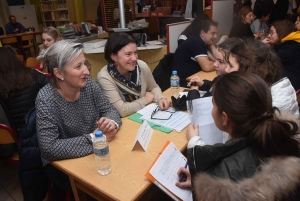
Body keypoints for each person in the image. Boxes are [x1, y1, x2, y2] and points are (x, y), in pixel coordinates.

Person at [176, 72, 300, 200]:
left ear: (225, 118)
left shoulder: (222, 180)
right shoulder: (282, 139)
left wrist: (204, 187)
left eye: (213, 105)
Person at [36, 40, 122, 200]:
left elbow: (110, 109)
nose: (87, 71)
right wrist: (94, 139)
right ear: (59, 73)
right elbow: (49, 148)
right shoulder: (46, 99)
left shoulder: (88, 84)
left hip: (97, 154)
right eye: (78, 66)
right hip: (64, 166)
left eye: (85, 64)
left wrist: (111, 123)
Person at [188, 38, 299, 115]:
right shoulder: (268, 90)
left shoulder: (255, 106)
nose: (226, 69)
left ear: (247, 69)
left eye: (229, 65)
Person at [97, 32, 169, 117]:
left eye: (135, 53)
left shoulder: (141, 66)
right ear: (114, 57)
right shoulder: (104, 77)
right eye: (128, 54)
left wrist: (161, 98)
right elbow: (122, 111)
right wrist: (145, 100)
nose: (134, 58)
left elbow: (153, 87)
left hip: (144, 115)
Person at [0, 48, 48, 132]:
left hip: (15, 134)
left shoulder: (2, 85)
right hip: (40, 126)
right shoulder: (31, 74)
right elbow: (54, 85)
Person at [173, 18, 218, 86]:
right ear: (202, 33)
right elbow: (207, 66)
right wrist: (219, 63)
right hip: (184, 84)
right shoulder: (196, 42)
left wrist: (211, 44)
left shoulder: (201, 41)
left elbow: (217, 58)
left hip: (194, 79)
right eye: (213, 33)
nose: (215, 36)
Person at [262, 20, 300, 90]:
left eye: (272, 32)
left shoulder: (288, 48)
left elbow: (267, 62)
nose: (269, 35)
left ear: (281, 33)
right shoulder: (288, 45)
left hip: (286, 88)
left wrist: (262, 46)